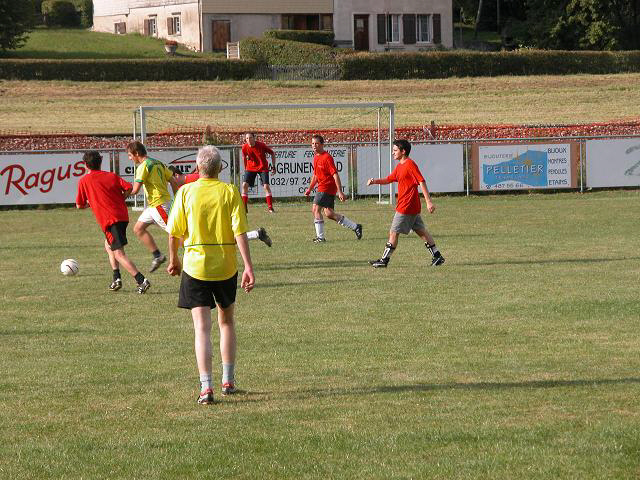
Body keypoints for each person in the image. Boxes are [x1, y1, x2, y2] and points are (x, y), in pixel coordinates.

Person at [166, 145, 255, 405]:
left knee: (201, 328)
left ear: (197, 167)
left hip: (196, 267)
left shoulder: (185, 192)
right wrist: (248, 266)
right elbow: (240, 231)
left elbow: (174, 232)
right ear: (220, 168)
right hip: (225, 266)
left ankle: (206, 388)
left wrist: (174, 259)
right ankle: (228, 381)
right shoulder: (229, 191)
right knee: (226, 322)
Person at [75, 151, 150, 293]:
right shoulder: (111, 176)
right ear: (100, 162)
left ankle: (141, 280)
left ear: (85, 165)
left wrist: (91, 203)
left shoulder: (84, 180)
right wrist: (121, 199)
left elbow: (79, 205)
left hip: (110, 220)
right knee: (108, 246)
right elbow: (128, 188)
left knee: (119, 254)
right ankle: (117, 279)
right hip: (122, 216)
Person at [366, 139, 445, 268]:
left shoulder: (410, 164)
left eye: (395, 150)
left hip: (406, 206)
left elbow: (421, 181)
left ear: (403, 151)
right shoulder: (400, 166)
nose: (393, 153)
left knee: (393, 232)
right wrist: (375, 181)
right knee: (422, 232)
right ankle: (437, 256)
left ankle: (384, 260)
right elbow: (389, 179)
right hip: (411, 206)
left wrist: (428, 201)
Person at [177, 167, 273, 247]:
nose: (171, 183)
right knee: (223, 238)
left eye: (171, 180)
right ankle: (257, 234)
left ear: (176, 175)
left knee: (222, 238)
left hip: (212, 209)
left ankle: (257, 234)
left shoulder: (190, 182)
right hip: (211, 209)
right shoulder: (184, 186)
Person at [127, 141, 179, 272]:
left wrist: (119, 193)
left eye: (130, 155)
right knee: (138, 228)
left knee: (176, 233)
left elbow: (135, 190)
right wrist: (177, 199)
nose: (130, 158)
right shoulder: (157, 162)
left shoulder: (143, 166)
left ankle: (196, 250)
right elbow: (173, 181)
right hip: (154, 206)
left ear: (136, 153)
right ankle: (158, 256)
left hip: (159, 205)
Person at [304, 134, 362, 243]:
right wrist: (309, 189)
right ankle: (355, 227)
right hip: (323, 187)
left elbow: (335, 175)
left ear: (322, 144)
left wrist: (340, 191)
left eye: (316, 143)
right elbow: (315, 175)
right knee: (329, 214)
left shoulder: (327, 157)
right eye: (312, 143)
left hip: (327, 187)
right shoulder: (316, 157)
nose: (314, 146)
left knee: (315, 209)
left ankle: (320, 238)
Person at [241, 132, 276, 213]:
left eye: (250, 138)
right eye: (247, 138)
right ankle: (244, 207)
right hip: (250, 168)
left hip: (262, 167)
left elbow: (272, 153)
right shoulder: (244, 147)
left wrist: (273, 166)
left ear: (254, 138)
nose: (248, 140)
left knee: (266, 186)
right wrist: (246, 169)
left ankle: (270, 208)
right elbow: (244, 158)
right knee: (244, 185)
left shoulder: (261, 145)